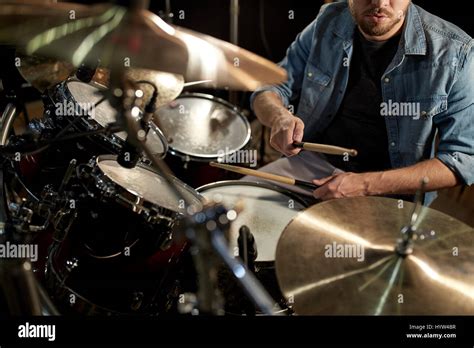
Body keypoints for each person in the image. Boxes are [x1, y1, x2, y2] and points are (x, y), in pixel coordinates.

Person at [250, 0, 474, 204]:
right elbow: (268, 87)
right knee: (233, 212)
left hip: (391, 190)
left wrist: (366, 184)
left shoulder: (456, 52)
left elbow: (463, 159)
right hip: (313, 166)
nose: (379, 3)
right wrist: (279, 116)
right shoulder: (328, 20)